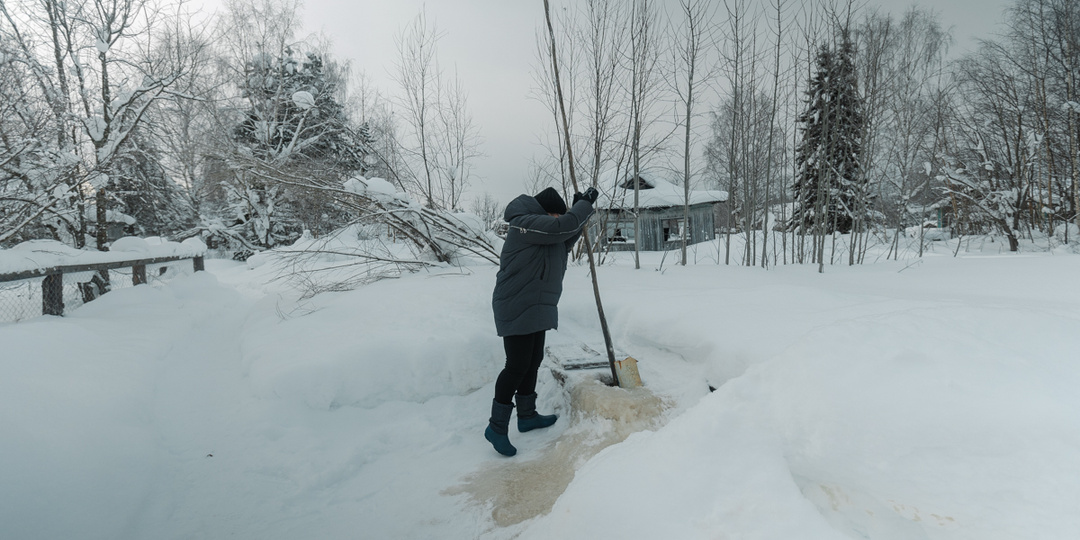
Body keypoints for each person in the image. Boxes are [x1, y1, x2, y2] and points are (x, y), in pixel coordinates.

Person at [486, 185, 599, 456]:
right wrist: (582, 207)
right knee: (516, 365)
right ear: (546, 212)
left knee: (533, 360)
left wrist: (576, 213)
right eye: (556, 217)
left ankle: (527, 416)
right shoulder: (524, 224)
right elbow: (563, 227)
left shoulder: (545, 230)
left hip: (535, 304)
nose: (557, 223)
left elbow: (566, 237)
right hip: (516, 303)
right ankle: (496, 427)